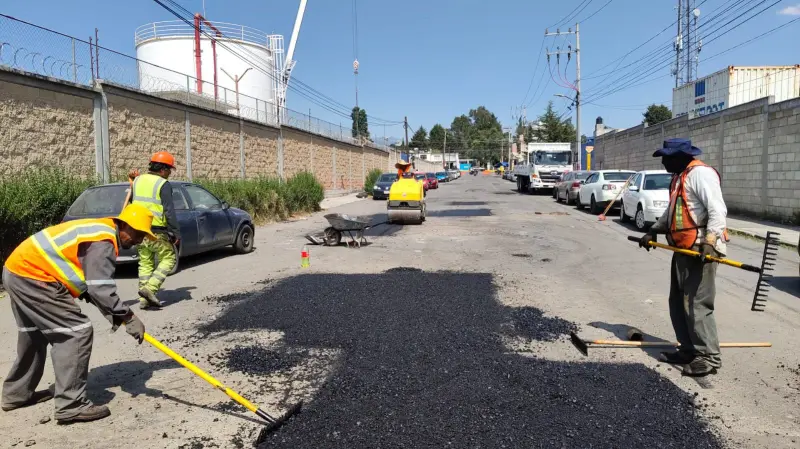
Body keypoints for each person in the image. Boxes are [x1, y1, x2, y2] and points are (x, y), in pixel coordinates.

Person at [2, 204, 154, 424]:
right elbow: (100, 288)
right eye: (138, 234)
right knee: (76, 332)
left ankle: (16, 395)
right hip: (35, 276)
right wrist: (129, 316)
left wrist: (112, 312)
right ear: (125, 225)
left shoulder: (99, 229)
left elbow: (87, 284)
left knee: (33, 334)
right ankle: (71, 405)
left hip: (17, 271)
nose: (139, 241)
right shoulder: (104, 241)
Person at [638, 138, 729, 377]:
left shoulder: (701, 174)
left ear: (681, 157)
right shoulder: (680, 177)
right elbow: (673, 212)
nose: (664, 162)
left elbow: (717, 210)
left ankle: (708, 357)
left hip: (700, 250)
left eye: (667, 157)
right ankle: (688, 349)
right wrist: (653, 231)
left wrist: (710, 242)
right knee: (678, 303)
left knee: (697, 304)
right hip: (682, 248)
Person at [129, 151, 182, 309]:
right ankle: (150, 289)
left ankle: (143, 301)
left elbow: (133, 202)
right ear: (163, 169)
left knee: (145, 263)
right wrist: (175, 232)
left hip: (138, 230)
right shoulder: (162, 184)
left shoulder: (137, 181)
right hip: (156, 231)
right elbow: (169, 211)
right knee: (169, 259)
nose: (169, 174)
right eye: (169, 170)